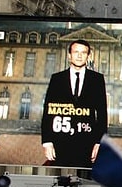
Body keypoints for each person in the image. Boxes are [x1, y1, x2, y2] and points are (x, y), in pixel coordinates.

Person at [41, 39, 107, 168]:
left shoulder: (97, 79)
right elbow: (48, 111)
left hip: (86, 143)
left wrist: (99, 142)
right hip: (60, 141)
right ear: (69, 55)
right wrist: (47, 141)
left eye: (83, 52)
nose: (79, 55)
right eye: (76, 52)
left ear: (88, 56)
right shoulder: (57, 79)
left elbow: (102, 113)